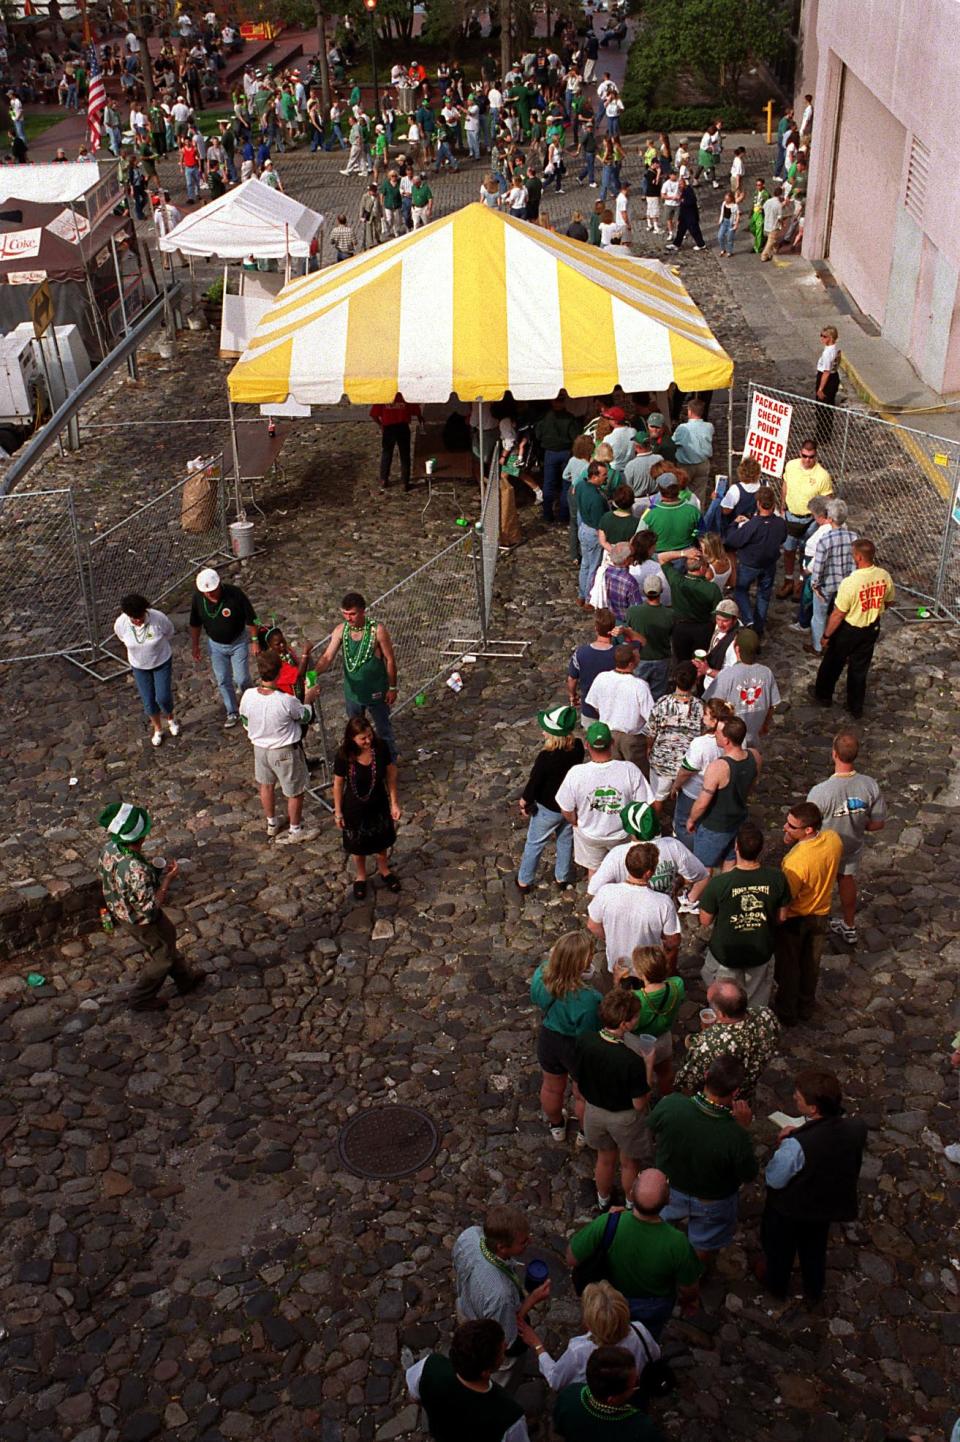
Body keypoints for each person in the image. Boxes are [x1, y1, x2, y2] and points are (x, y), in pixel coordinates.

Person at [761, 1069, 867, 1302]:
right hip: (825, 1206)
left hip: (791, 1210)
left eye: (798, 1098)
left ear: (813, 1109)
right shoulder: (856, 1128)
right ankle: (814, 1290)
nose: (793, 1099)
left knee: (780, 1252)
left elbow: (775, 1179)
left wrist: (784, 1144)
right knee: (814, 1251)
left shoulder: (796, 1146)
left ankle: (777, 1288)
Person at [566, 1170, 703, 1336]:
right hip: (652, 1307)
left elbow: (571, 1258)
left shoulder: (609, 1222)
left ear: (631, 1193)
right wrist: (690, 1301)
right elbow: (689, 1287)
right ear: (668, 1200)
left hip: (610, 1300)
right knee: (645, 1338)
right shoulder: (677, 1242)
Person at [97, 802, 203, 1013]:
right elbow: (151, 908)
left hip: (120, 910)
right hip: (141, 921)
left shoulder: (109, 849)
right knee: (163, 955)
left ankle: (186, 979)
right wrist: (167, 881)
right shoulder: (136, 870)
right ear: (141, 837)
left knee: (166, 946)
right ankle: (141, 998)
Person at [650, 1053, 757, 1260]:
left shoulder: (672, 1104)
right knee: (703, 1243)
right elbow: (748, 1172)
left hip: (670, 1189)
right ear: (735, 1092)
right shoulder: (735, 1134)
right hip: (712, 1200)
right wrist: (744, 1129)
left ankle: (657, 1259)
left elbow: (652, 1125)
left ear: (706, 1075)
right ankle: (692, 1277)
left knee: (657, 1227)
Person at [697, 821, 791, 1006]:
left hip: (726, 954)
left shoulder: (720, 883)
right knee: (756, 1001)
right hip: (760, 950)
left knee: (723, 1003)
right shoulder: (777, 878)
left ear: (736, 847)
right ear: (761, 849)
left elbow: (705, 920)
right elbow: (782, 917)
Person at [807, 730, 886, 945]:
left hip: (823, 846)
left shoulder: (820, 791)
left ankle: (813, 924)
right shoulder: (870, 785)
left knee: (818, 884)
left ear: (834, 754)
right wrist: (860, 824)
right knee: (847, 880)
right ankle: (849, 925)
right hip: (851, 843)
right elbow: (878, 823)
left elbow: (808, 825)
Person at [575, 989, 651, 1209]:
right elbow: (639, 1102)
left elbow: (578, 1080)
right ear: (625, 1024)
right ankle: (630, 1203)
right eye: (636, 1016)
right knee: (628, 1163)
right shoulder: (631, 1060)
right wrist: (648, 1065)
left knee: (604, 1158)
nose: (639, 1018)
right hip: (624, 1118)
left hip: (594, 1112)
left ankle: (603, 1199)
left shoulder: (585, 1041)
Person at [774, 801, 843, 1026]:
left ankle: (787, 1012)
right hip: (821, 912)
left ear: (808, 830)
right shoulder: (833, 840)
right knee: (811, 964)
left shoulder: (796, 862)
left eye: (792, 826)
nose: (785, 828)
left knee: (789, 967)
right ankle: (806, 1004)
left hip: (796, 918)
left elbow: (788, 897)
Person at [239, 650, 318, 845]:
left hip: (260, 749)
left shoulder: (248, 695)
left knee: (266, 785)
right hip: (283, 751)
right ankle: (295, 829)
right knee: (294, 791)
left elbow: (245, 720)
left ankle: (272, 822)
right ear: (279, 672)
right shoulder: (285, 701)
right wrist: (308, 697)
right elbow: (305, 716)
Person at [520, 1281, 659, 1391]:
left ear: (590, 1322)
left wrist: (537, 1345)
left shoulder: (579, 1351)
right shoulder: (640, 1330)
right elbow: (655, 1355)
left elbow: (555, 1381)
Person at [556, 722, 653, 880]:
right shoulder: (629, 770)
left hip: (589, 833)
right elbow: (643, 806)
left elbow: (566, 809)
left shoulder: (576, 773)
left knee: (594, 870)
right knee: (623, 870)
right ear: (612, 743)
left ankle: (596, 900)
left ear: (587, 745)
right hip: (621, 834)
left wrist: (576, 822)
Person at [406, 1319, 528, 1442]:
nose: (506, 1345)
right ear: (485, 1372)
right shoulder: (510, 1417)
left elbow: (415, 1396)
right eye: (502, 1351)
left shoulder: (429, 1366)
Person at [532, 931, 602, 1141]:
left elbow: (536, 998)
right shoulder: (589, 998)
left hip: (550, 1039)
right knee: (582, 1094)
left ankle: (556, 1127)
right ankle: (583, 1132)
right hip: (577, 1047)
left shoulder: (541, 974)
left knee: (552, 1087)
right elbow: (591, 1031)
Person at [814, 539, 895, 719]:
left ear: (858, 557)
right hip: (871, 627)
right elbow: (889, 601)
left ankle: (823, 695)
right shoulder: (884, 576)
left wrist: (826, 635)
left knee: (832, 663)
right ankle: (855, 706)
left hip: (849, 628)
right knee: (859, 668)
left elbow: (838, 614)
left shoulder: (851, 582)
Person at [313, 592, 399, 760]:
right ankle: (362, 763)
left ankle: (390, 762)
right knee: (356, 732)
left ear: (362, 612)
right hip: (353, 694)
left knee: (383, 730)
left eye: (352, 614)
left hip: (376, 691)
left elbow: (390, 659)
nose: (349, 618)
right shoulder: (341, 630)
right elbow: (327, 657)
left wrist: (393, 687)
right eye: (345, 614)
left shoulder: (377, 630)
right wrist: (314, 673)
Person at [453, 1206, 550, 1355]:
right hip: (489, 1335)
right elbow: (505, 1338)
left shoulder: (470, 1234)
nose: (529, 1241)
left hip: (466, 1305)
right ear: (502, 1247)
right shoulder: (501, 1296)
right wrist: (533, 1298)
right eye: (523, 1242)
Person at [676, 977, 780, 1103]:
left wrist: (706, 1033)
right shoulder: (766, 1014)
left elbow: (690, 1079)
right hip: (747, 1089)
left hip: (722, 1098)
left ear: (720, 1014)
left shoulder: (713, 1043)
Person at [517, 706, 585, 892]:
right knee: (565, 839)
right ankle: (562, 877)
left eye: (545, 729)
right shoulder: (578, 747)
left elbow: (534, 783)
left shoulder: (546, 757)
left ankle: (524, 880)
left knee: (535, 843)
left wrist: (524, 802)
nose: (542, 731)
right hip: (569, 806)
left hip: (548, 808)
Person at [587, 842, 681, 975]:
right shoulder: (663, 903)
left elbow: (592, 925)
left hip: (617, 965)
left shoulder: (605, 892)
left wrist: (611, 939)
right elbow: (673, 941)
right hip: (646, 969)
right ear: (649, 873)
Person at [686, 716, 760, 871]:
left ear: (726, 740)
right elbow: (752, 786)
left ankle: (699, 895)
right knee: (731, 859)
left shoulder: (718, 767)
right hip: (739, 819)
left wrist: (692, 819)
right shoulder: (755, 756)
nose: (715, 735)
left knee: (703, 867)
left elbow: (702, 802)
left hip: (715, 825)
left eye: (718, 733)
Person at [189, 568, 259, 729]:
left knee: (241, 678)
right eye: (207, 592)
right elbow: (195, 623)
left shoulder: (234, 594)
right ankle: (232, 711)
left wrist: (255, 640)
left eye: (212, 591)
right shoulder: (198, 598)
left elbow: (251, 618)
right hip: (216, 646)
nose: (210, 595)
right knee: (222, 679)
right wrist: (195, 645)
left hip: (238, 642)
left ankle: (252, 705)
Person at [554, 1346, 665, 1442]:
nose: (638, 1383)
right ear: (612, 1400)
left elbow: (560, 1427)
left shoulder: (570, 1394)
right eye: (635, 1383)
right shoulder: (642, 1429)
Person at [113, 594, 180, 747]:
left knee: (163, 696)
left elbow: (169, 632)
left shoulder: (159, 618)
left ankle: (170, 718)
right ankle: (158, 729)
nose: (138, 621)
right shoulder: (121, 623)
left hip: (161, 662)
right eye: (134, 618)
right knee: (148, 700)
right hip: (139, 666)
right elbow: (122, 638)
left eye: (140, 616)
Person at [723, 486, 788, 636]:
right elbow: (783, 538)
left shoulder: (752, 525)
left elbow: (733, 541)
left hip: (749, 565)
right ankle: (759, 628)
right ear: (773, 504)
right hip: (769, 564)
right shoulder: (780, 523)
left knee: (740, 591)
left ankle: (749, 620)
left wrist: (734, 524)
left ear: (758, 504)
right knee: (764, 596)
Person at [641, 661, 702, 809]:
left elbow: (651, 732)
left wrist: (649, 748)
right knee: (685, 799)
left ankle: (654, 829)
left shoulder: (662, 703)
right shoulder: (701, 707)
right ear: (695, 681)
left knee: (657, 798)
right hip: (687, 763)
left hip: (662, 762)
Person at [777, 439, 833, 598]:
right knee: (788, 550)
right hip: (791, 515)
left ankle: (801, 582)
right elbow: (785, 485)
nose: (808, 460)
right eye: (805, 456)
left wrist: (820, 521)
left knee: (805, 552)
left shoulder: (822, 476)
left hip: (810, 520)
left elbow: (827, 499)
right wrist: (782, 506)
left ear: (816, 456)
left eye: (811, 457)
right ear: (800, 453)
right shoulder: (791, 466)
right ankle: (788, 580)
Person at [708, 628, 781, 750]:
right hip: (754, 737)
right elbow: (772, 706)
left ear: (737, 649)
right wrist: (765, 725)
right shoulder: (766, 673)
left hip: (730, 740)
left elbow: (712, 707)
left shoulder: (727, 674)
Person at [584, 646, 654, 771]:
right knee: (637, 773)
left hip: (608, 733)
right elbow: (651, 717)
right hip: (632, 738)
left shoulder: (602, 678)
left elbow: (594, 705)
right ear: (632, 663)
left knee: (612, 771)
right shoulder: (640, 685)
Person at [808, 496, 857, 656]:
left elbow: (819, 566)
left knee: (819, 616)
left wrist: (815, 585)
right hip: (846, 584)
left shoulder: (825, 539)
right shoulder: (854, 537)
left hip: (827, 584)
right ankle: (839, 645)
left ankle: (818, 647)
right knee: (842, 615)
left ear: (830, 518)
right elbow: (854, 564)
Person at [620, 575, 673, 700]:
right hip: (661, 658)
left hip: (640, 658)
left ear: (644, 591)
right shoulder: (670, 614)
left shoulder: (633, 612)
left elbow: (629, 631)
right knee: (657, 695)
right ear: (661, 591)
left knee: (637, 693)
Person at [370, 392, 422, 491]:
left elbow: (373, 414)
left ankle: (383, 479)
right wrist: (420, 418)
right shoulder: (405, 396)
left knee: (387, 453)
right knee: (405, 455)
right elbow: (416, 410)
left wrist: (381, 425)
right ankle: (405, 482)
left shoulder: (384, 397)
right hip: (402, 427)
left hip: (389, 428)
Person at [670, 399, 714, 500]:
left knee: (682, 493)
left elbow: (674, 441)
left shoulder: (682, 428)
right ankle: (698, 513)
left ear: (689, 411)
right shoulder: (709, 427)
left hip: (686, 466)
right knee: (700, 493)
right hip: (703, 463)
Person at [815, 325, 841, 443]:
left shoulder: (828, 353)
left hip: (827, 379)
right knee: (828, 407)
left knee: (822, 408)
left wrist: (821, 388)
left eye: (824, 336)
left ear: (830, 338)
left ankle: (822, 435)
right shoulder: (835, 349)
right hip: (834, 376)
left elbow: (826, 372)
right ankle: (825, 434)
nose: (821, 338)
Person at [760, 184, 783, 261]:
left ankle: (774, 251)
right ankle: (764, 255)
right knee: (770, 241)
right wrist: (782, 223)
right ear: (780, 195)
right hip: (774, 225)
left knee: (773, 240)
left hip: (767, 224)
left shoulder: (768, 201)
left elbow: (762, 209)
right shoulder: (778, 205)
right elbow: (779, 217)